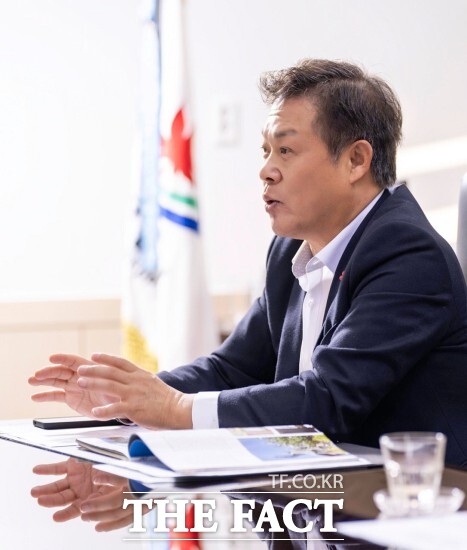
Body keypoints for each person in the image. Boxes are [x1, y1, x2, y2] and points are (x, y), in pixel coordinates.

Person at [29, 59, 467, 466]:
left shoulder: (408, 253)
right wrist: (126, 398)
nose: (266, 170)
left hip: (412, 503)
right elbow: (232, 369)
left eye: (286, 151)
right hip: (316, 494)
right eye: (265, 151)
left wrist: (174, 407)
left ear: (356, 160)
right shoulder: (289, 251)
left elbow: (329, 399)